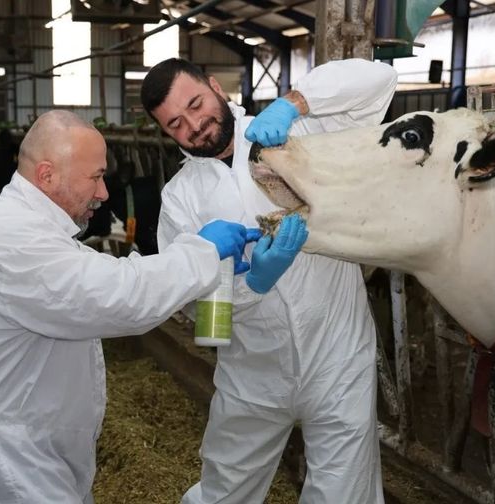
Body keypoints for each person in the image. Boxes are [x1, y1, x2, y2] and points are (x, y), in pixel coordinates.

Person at [0, 110, 261, 504]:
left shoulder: (30, 228)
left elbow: (109, 273)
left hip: (34, 445)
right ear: (47, 175)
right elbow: (119, 296)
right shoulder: (13, 241)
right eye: (96, 177)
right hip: (12, 460)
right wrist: (203, 253)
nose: (105, 193)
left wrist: (200, 268)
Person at [141, 57, 397, 504]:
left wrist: (293, 104)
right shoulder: (180, 200)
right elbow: (200, 318)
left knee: (344, 494)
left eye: (197, 104)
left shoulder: (297, 133)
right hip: (251, 372)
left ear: (216, 88)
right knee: (224, 493)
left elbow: (380, 80)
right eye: (176, 124)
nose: (195, 126)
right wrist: (252, 285)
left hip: (335, 354)